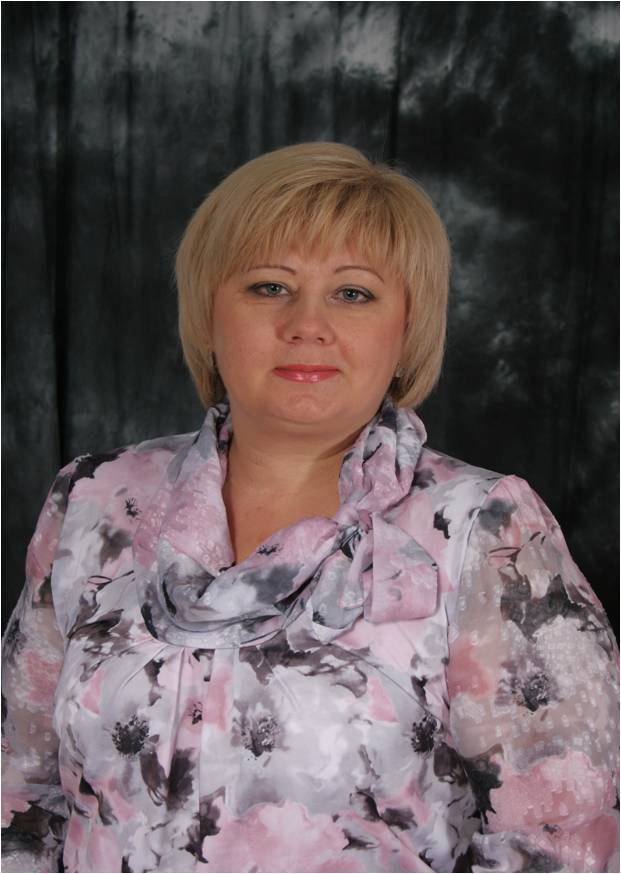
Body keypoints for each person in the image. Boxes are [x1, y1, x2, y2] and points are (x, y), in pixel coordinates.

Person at [2, 142, 618, 874]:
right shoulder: (92, 500)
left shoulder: (485, 529)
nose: (306, 323)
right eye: (269, 286)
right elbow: (20, 795)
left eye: (353, 294)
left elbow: (564, 843)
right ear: (208, 314)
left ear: (405, 330)